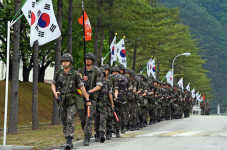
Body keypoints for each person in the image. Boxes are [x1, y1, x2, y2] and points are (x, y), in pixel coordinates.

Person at [51, 53, 89, 150]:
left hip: (72, 100)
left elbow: (81, 87)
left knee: (69, 119)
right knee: (63, 120)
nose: (64, 63)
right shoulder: (58, 73)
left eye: (66, 61)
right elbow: (53, 84)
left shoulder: (75, 74)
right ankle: (66, 137)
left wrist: (87, 99)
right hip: (62, 101)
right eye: (63, 61)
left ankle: (69, 140)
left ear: (70, 63)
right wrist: (56, 94)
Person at [79, 52, 103, 146]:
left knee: (89, 117)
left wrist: (90, 92)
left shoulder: (97, 71)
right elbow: (78, 83)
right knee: (82, 118)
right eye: (86, 59)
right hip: (81, 97)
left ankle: (87, 137)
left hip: (92, 98)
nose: (87, 60)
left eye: (89, 59)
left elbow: (99, 85)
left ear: (92, 61)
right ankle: (86, 132)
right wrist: (83, 80)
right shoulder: (81, 71)